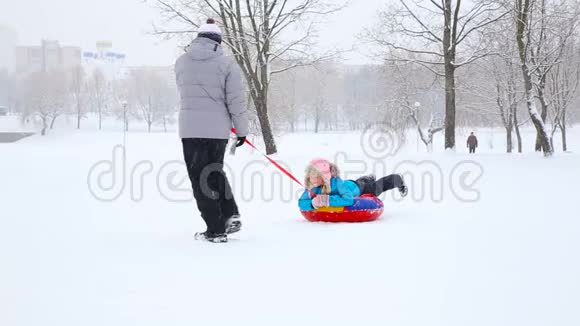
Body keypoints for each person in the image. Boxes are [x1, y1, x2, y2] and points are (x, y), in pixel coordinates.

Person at [175, 18, 249, 243]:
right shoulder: (227, 64)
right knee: (214, 171)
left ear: (198, 38)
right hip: (217, 131)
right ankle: (229, 214)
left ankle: (216, 229)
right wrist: (242, 131)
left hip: (190, 129)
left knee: (200, 178)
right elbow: (236, 101)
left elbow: (184, 92)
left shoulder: (181, 62)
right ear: (218, 41)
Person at [298, 159, 408, 211]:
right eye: (310, 176)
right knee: (362, 181)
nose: (312, 179)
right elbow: (301, 202)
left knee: (376, 188)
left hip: (358, 188)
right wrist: (312, 203)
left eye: (315, 176)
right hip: (350, 184)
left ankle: (397, 179)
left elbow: (348, 199)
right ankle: (367, 178)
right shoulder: (312, 187)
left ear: (324, 177)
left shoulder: (337, 183)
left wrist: (328, 200)